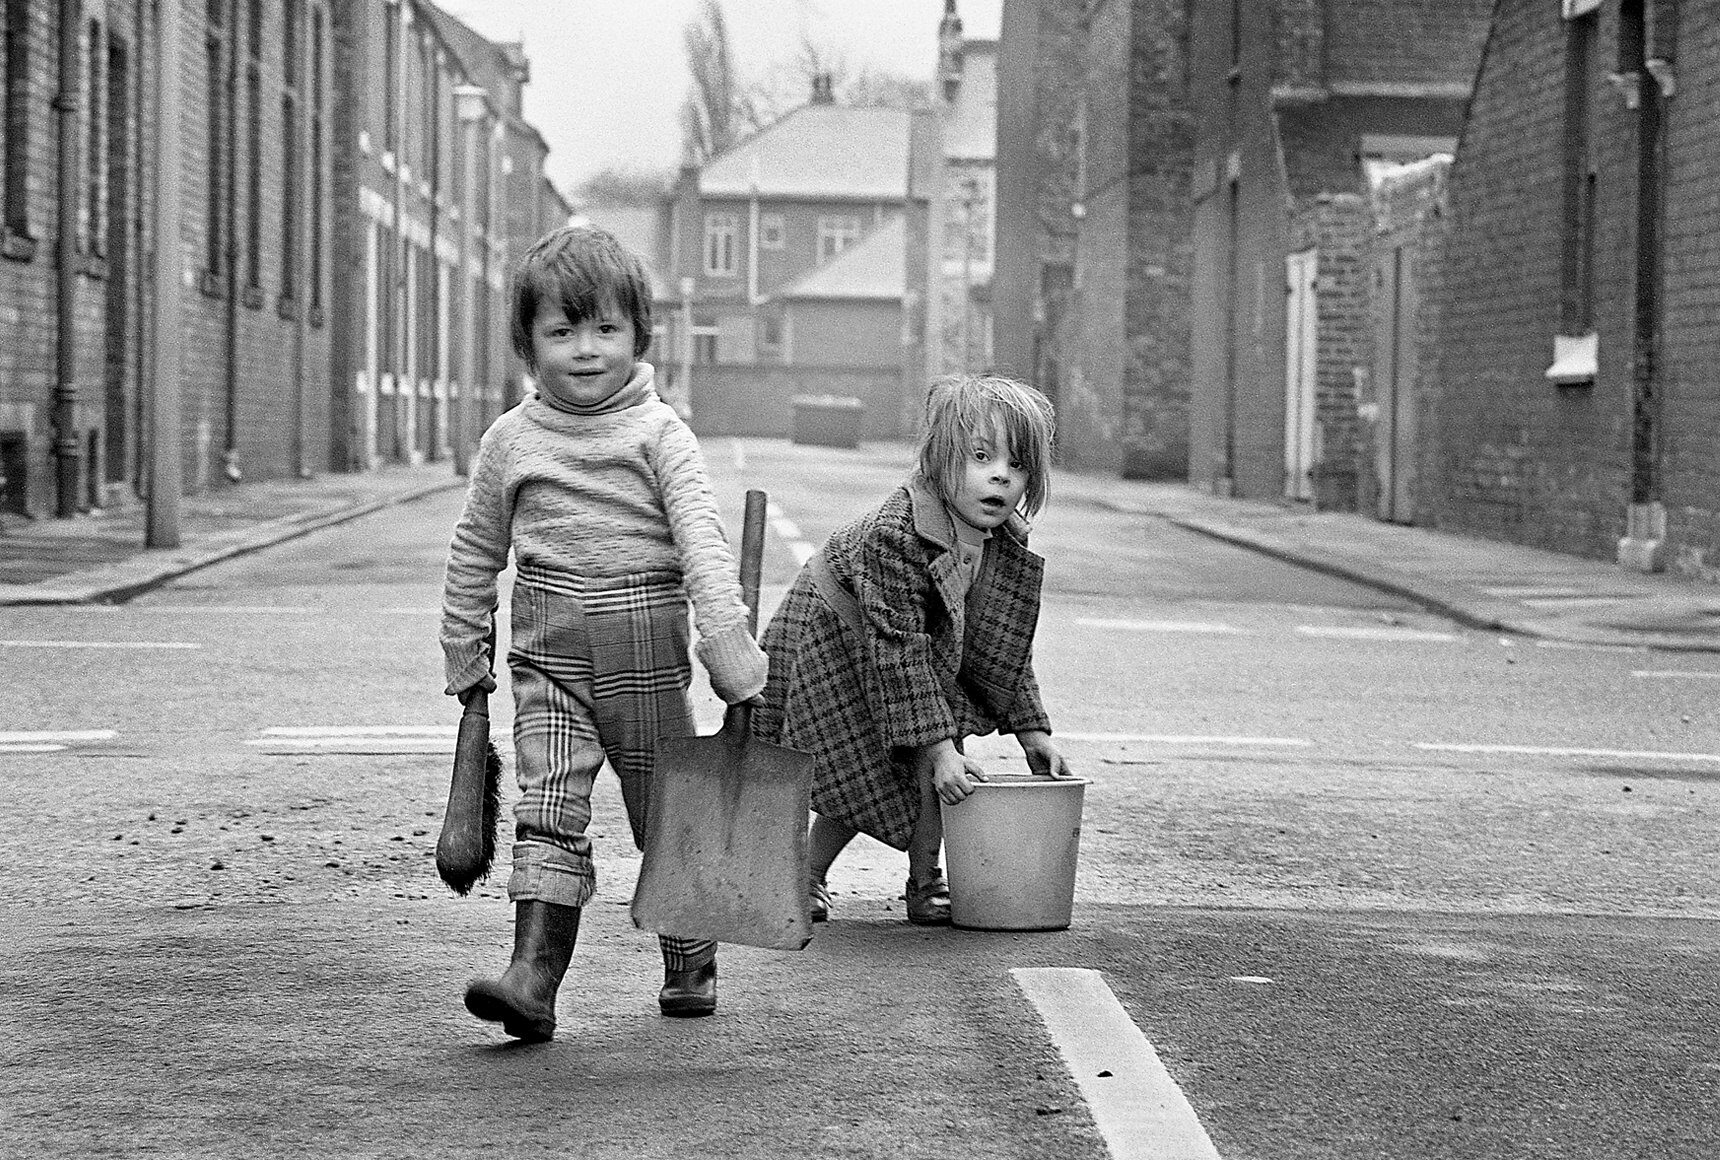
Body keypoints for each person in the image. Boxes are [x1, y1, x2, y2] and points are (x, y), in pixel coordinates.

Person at [439, 224, 767, 1040]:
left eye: (605, 329)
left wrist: (728, 651)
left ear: (638, 335)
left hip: (645, 651)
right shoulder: (509, 442)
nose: (586, 350)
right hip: (543, 654)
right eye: (561, 331)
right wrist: (463, 649)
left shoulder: (661, 435)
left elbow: (701, 542)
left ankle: (690, 955)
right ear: (528, 344)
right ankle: (534, 978)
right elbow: (476, 552)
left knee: (664, 811)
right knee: (547, 804)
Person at [753, 373, 1073, 926]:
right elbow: (899, 648)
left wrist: (1032, 730)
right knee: (865, 765)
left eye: (1018, 465)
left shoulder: (1003, 540)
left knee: (937, 760)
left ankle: (926, 883)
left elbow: (1000, 639)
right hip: (834, 634)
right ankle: (805, 875)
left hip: (904, 643)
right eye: (980, 455)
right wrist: (938, 745)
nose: (1001, 474)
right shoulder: (895, 534)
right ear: (940, 459)